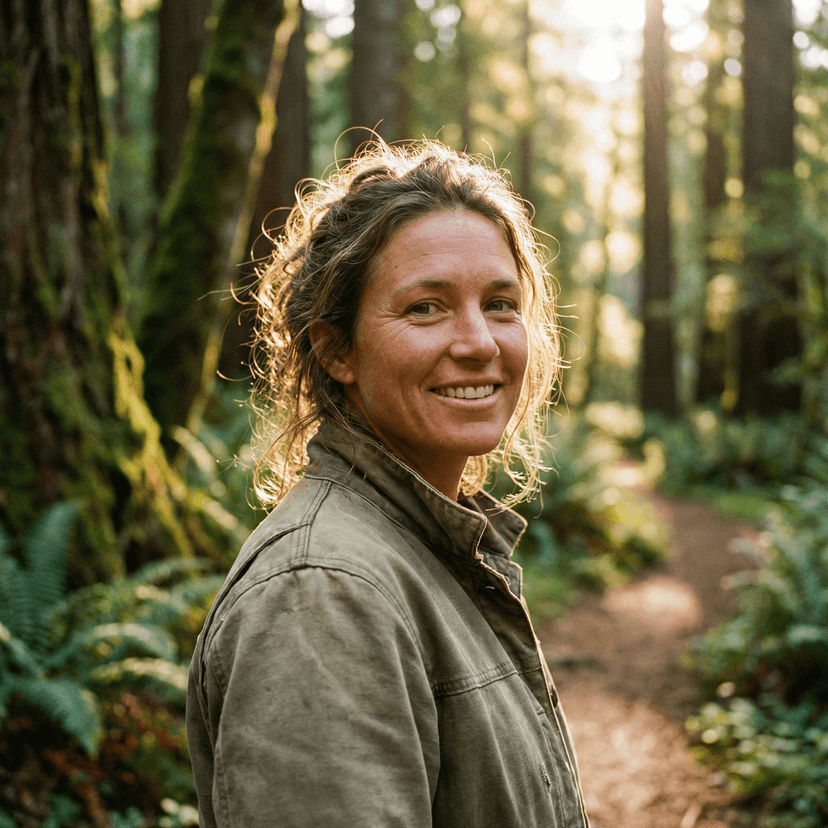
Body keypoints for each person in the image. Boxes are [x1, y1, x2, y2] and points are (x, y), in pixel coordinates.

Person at [186, 140, 589, 827]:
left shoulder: (428, 549)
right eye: (426, 308)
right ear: (335, 349)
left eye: (499, 303)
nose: (480, 342)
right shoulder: (321, 592)